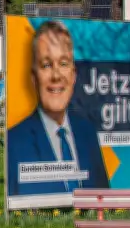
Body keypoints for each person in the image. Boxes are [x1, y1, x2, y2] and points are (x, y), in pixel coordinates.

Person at [7, 20, 110, 197]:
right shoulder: (12, 144)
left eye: (63, 64)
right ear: (34, 78)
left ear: (73, 75)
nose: (56, 75)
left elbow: (104, 200)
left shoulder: (88, 133)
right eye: (46, 65)